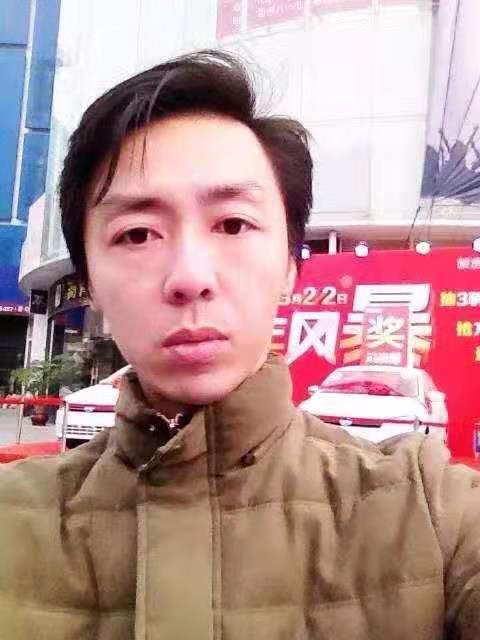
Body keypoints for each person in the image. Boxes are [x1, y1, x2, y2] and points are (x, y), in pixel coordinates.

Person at [0, 50, 479, 640]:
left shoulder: (432, 511)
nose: (190, 276)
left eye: (233, 224)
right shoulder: (13, 519)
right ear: (91, 282)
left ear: (290, 265)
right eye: (138, 233)